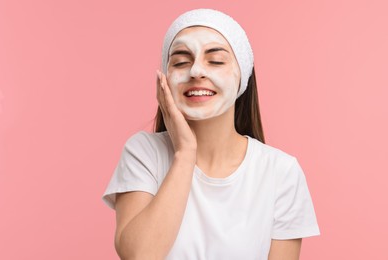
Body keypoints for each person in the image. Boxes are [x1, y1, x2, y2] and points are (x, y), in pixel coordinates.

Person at [102, 8, 320, 260]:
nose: (196, 72)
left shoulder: (281, 171)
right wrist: (185, 154)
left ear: (243, 76)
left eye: (215, 61)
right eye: (181, 61)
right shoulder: (143, 152)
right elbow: (139, 255)